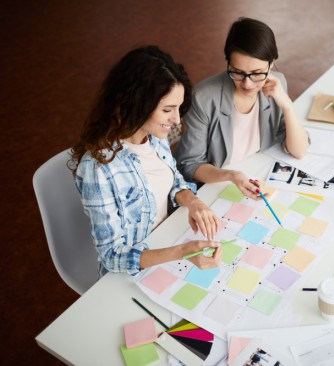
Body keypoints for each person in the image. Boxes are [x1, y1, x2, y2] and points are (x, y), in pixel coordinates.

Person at [70, 46, 222, 277]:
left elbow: (172, 178)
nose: (176, 119)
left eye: (179, 108)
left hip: (168, 240)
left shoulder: (154, 136)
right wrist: (181, 252)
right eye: (168, 109)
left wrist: (192, 201)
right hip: (138, 268)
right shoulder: (97, 169)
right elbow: (111, 256)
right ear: (137, 104)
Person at [174, 17, 309, 199]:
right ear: (228, 62)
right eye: (237, 72)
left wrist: (288, 106)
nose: (247, 83)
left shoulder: (277, 84)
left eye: (256, 74)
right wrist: (231, 175)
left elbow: (299, 151)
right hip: (216, 187)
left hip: (259, 174)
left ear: (271, 64)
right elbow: (189, 164)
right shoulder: (204, 98)